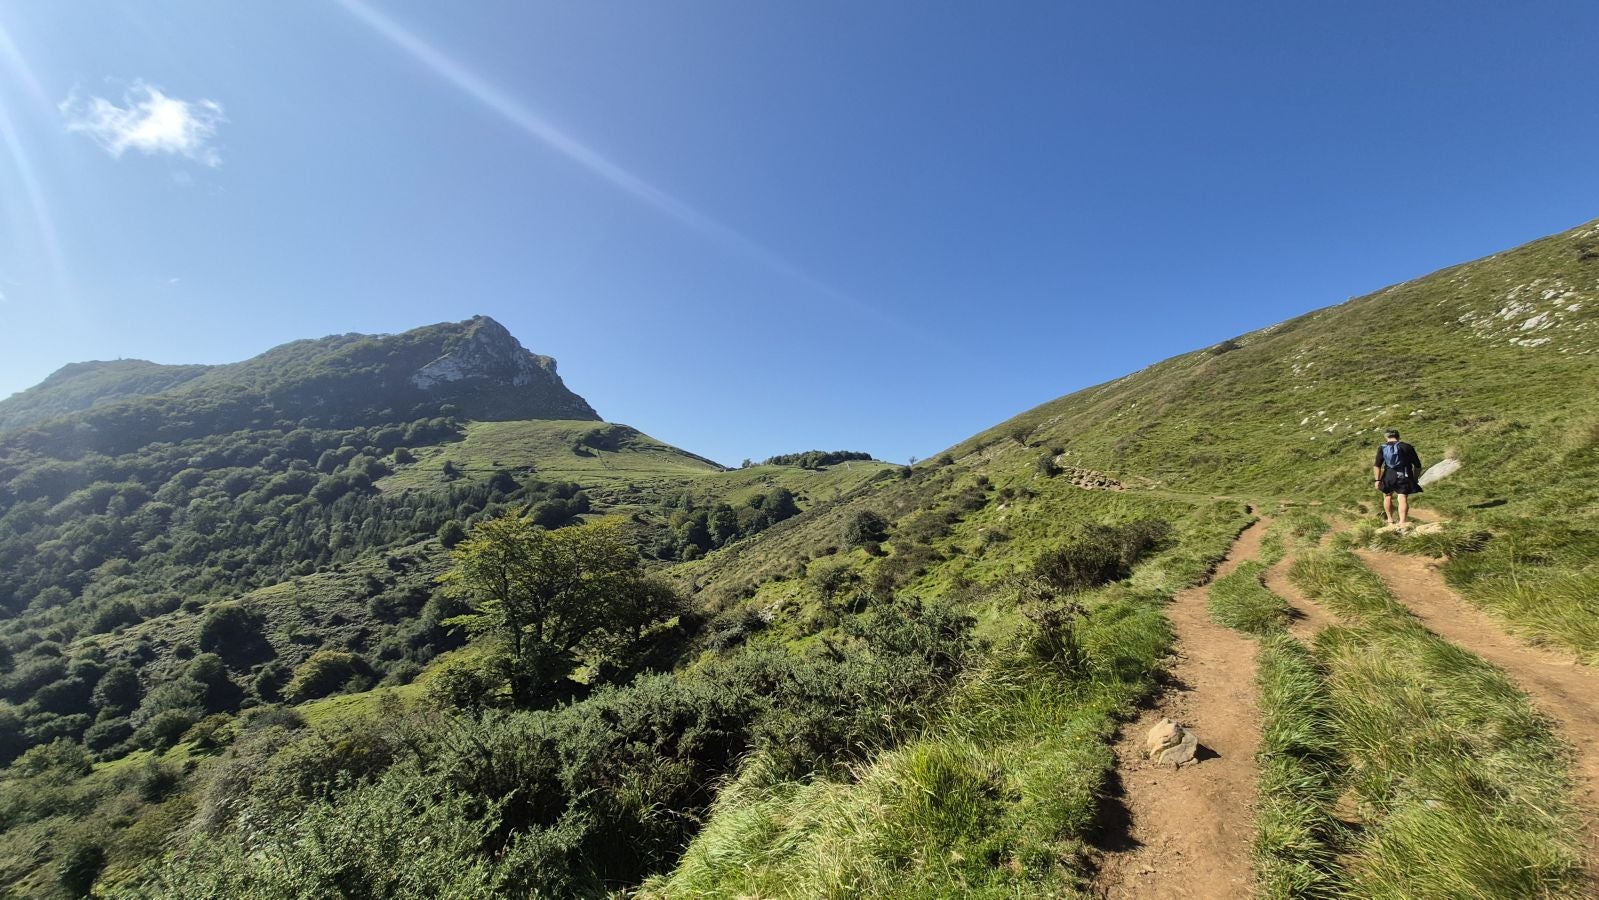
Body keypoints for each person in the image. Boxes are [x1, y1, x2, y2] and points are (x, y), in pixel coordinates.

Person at [1373, 429, 1423, 526]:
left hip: (1388, 475)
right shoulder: (1407, 447)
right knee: (1402, 497)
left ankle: (1390, 520)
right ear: (1398, 436)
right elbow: (1417, 465)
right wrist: (1415, 478)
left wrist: (1377, 480)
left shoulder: (1382, 448)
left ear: (1386, 437)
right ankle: (1402, 522)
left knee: (1387, 496)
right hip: (1403, 474)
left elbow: (1377, 465)